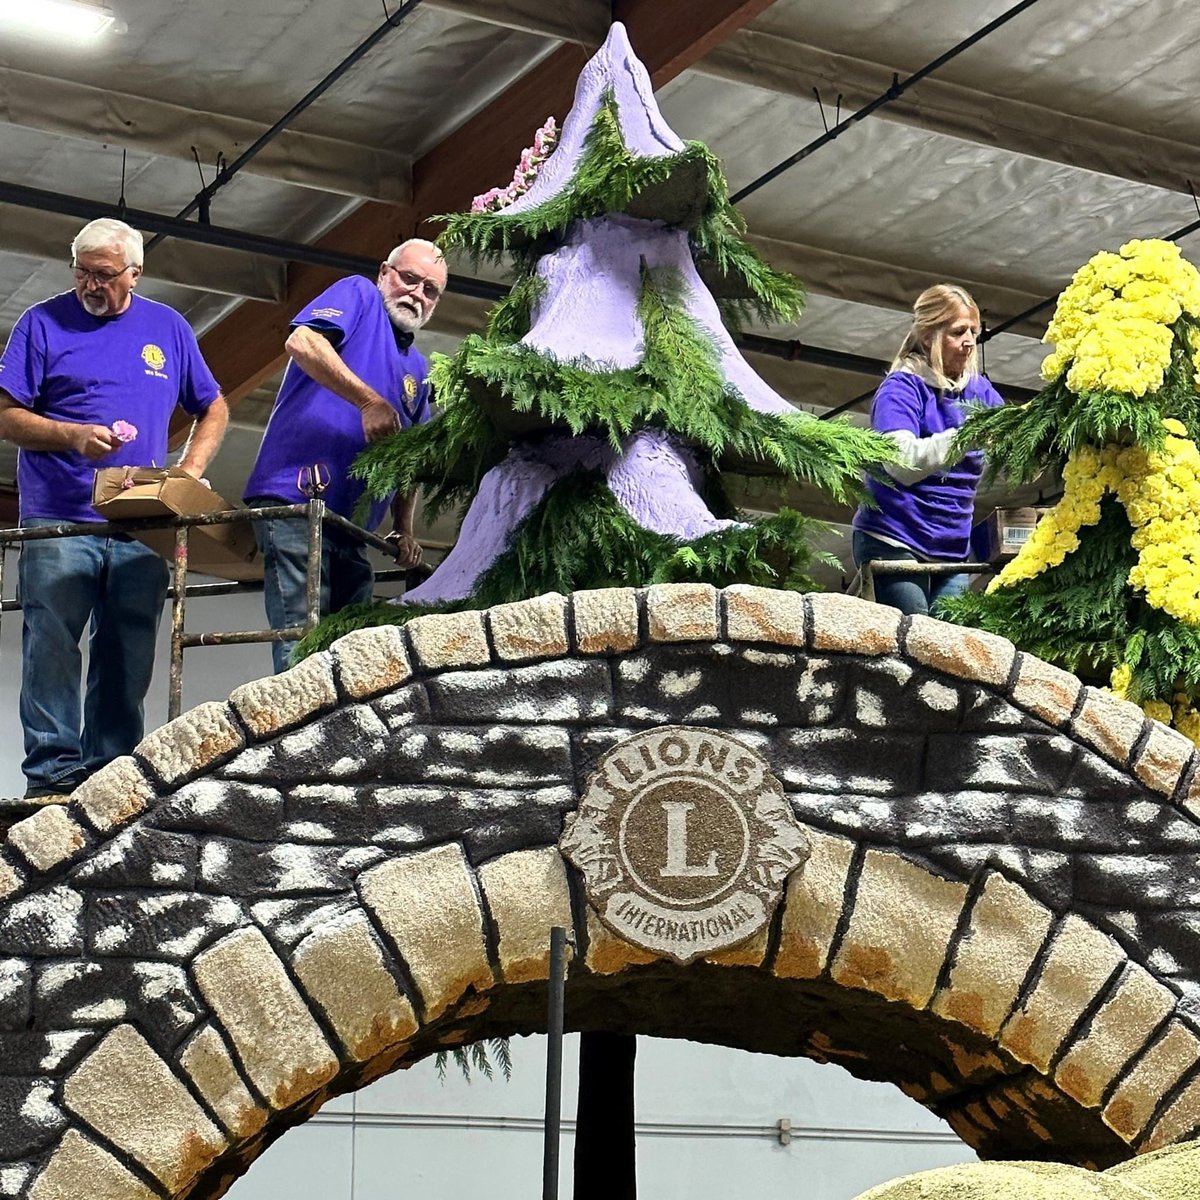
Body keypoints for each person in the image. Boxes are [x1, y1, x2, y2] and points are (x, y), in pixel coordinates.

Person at [0, 217, 228, 799]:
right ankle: (51, 774)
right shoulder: (40, 323)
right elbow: (6, 415)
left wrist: (188, 474)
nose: (90, 286)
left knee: (127, 650)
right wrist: (72, 436)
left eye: (103, 275)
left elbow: (214, 406)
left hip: (140, 520)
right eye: (81, 272)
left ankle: (109, 776)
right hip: (58, 518)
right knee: (51, 643)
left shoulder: (168, 328)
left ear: (135, 273)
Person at [244, 238, 446, 673]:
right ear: (384, 273)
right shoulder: (358, 294)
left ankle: (331, 736)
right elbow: (302, 341)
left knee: (349, 652)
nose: (417, 293)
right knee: (302, 639)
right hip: (297, 499)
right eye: (410, 278)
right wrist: (367, 401)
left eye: (430, 290)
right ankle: (299, 736)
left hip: (355, 526)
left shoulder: (420, 368)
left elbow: (408, 456)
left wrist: (404, 528)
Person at [851, 284, 1003, 617]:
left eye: (974, 332)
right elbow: (901, 463)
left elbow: (1012, 447)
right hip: (894, 538)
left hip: (951, 548)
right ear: (928, 336)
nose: (969, 342)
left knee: (947, 648)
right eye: (958, 332)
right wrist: (967, 436)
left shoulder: (981, 391)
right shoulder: (902, 388)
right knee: (915, 633)